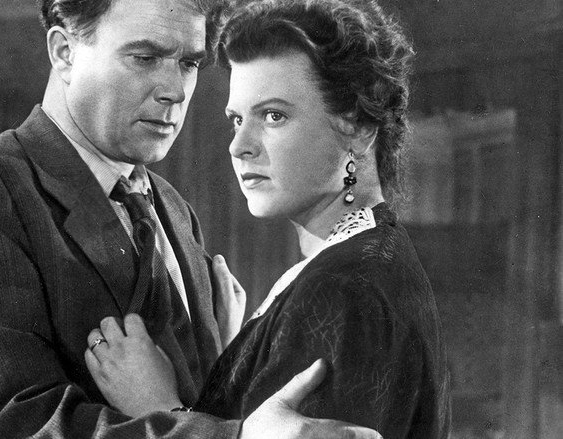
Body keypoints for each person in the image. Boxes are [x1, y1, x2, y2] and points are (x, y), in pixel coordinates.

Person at [0, 0, 383, 437]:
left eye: (189, 63)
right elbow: (15, 427)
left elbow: (195, 406)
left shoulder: (172, 209)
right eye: (145, 57)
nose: (175, 91)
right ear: (64, 52)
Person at [84, 0, 452, 437]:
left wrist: (161, 408)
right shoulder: (361, 261)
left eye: (273, 116)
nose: (239, 145)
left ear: (358, 126)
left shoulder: (343, 290)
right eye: (237, 119)